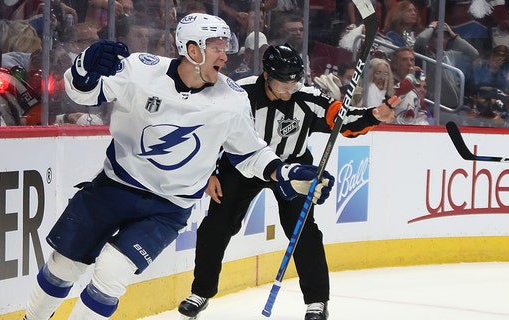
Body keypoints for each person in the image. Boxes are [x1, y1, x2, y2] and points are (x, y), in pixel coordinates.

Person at [21, 13, 335, 320]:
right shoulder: (141, 71)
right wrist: (82, 70)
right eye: (217, 47)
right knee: (63, 266)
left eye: (225, 47)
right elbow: (84, 94)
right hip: (112, 188)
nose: (225, 56)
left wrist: (286, 172)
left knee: (111, 274)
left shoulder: (232, 98)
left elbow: (251, 153)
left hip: (168, 208)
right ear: (193, 50)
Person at [177, 43, 398, 320]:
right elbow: (208, 131)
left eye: (294, 81)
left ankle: (316, 301)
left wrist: (373, 116)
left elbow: (341, 120)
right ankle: (201, 292)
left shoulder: (308, 97)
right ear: (267, 75)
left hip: (293, 169)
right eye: (283, 82)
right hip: (241, 166)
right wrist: (208, 171)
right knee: (216, 226)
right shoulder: (239, 93)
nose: (289, 89)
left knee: (304, 230)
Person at [413, 21, 479, 109]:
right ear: (430, 39)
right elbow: (420, 41)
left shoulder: (450, 55)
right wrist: (431, 27)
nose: (441, 40)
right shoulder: (424, 55)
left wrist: (454, 35)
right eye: (437, 37)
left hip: (456, 107)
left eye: (444, 38)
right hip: (435, 107)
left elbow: (474, 54)